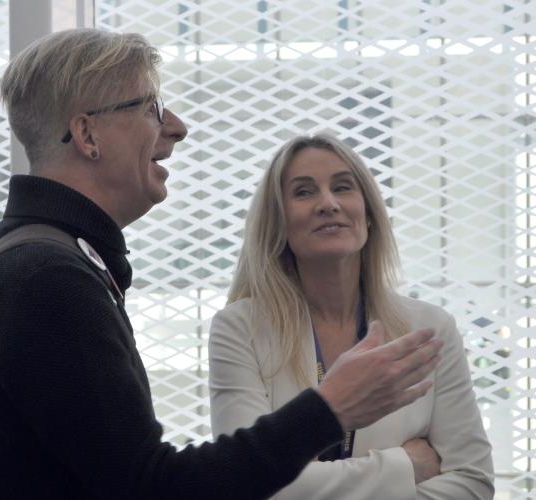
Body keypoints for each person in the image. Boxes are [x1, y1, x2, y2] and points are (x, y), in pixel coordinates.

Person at [0, 29, 442, 499]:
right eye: (151, 108)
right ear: (87, 134)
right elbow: (154, 488)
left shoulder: (24, 253)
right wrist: (330, 410)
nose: (177, 128)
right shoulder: (47, 278)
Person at [209, 134, 494, 499]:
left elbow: (472, 482)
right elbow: (246, 483)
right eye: (303, 192)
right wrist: (404, 467)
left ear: (369, 213)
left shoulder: (430, 329)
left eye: (342, 187)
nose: (328, 204)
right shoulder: (239, 328)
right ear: (278, 222)